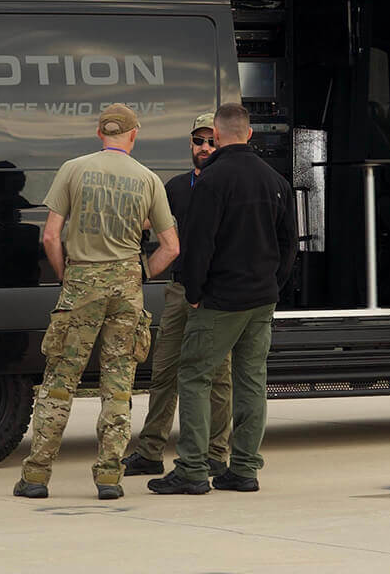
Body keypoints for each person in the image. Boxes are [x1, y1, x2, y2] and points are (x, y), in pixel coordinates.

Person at [13, 103, 179, 501]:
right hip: (126, 287)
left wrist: (65, 274)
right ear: (133, 135)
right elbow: (171, 246)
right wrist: (140, 274)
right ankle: (109, 477)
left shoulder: (73, 169)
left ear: (100, 133)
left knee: (60, 383)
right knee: (118, 384)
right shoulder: (148, 179)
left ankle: (36, 475)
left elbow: (51, 236)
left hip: (81, 282)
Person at [148, 103, 297, 495]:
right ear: (249, 134)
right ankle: (244, 468)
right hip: (262, 299)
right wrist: (273, 284)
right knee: (251, 381)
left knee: (194, 376)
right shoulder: (275, 181)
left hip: (221, 300)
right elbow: (289, 245)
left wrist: (195, 293)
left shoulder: (212, 181)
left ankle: (193, 470)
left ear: (217, 134)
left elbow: (198, 245)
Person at [123, 112, 232, 477]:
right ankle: (151, 449)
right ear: (190, 143)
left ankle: (217, 453)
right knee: (164, 370)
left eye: (211, 141)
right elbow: (144, 224)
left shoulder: (227, 183)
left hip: (217, 295)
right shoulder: (172, 187)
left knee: (218, 375)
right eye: (198, 141)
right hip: (180, 290)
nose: (204, 148)